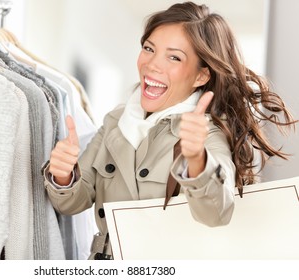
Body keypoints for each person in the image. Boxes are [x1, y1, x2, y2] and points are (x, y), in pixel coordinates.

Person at [42, 1, 297, 260]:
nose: (152, 65)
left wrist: (197, 160)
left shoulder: (206, 134)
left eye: (174, 57)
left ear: (201, 76)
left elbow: (216, 212)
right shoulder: (115, 120)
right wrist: (64, 175)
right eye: (148, 49)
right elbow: (71, 202)